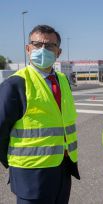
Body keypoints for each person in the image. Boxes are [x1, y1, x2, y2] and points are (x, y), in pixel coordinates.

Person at [0, 25, 80, 203]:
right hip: (31, 174)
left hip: (62, 168)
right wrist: (14, 163)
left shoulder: (63, 81)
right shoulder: (15, 84)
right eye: (37, 44)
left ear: (58, 52)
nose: (43, 49)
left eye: (50, 46)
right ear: (28, 49)